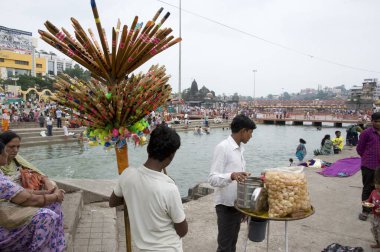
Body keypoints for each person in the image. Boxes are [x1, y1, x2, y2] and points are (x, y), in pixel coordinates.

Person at [109, 125, 187, 251]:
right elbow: (182, 231)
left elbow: (112, 202)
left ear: (148, 148)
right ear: (171, 156)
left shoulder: (127, 175)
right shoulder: (169, 188)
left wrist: (133, 197)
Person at [0, 140, 66, 251]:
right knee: (47, 217)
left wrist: (47, 193)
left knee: (54, 205)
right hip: (4, 222)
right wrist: (55, 196)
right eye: (8, 149)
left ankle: (55, 247)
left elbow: (22, 193)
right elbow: (29, 200)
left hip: (10, 208)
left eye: (17, 146)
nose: (13, 151)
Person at [208, 114, 256, 252]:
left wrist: (244, 205)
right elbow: (212, 178)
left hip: (237, 205)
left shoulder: (240, 149)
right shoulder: (223, 147)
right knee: (225, 246)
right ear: (243, 131)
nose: (251, 136)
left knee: (232, 244)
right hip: (225, 206)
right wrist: (232, 175)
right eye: (250, 132)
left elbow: (239, 180)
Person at [357, 112, 380, 221]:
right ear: (372, 122)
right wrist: (367, 157)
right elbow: (360, 149)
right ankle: (365, 211)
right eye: (376, 121)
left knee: (377, 189)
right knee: (367, 188)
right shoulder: (366, 133)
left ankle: (375, 209)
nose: (378, 123)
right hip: (368, 165)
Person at [364, 168, 380, 248]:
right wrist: (366, 203)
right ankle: (378, 243)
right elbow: (369, 201)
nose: (377, 186)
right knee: (374, 231)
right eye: (376, 183)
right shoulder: (373, 192)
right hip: (374, 216)